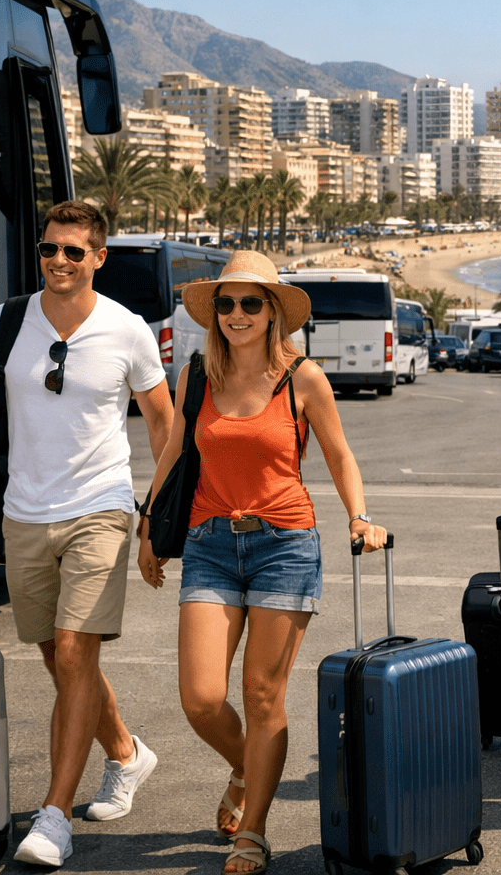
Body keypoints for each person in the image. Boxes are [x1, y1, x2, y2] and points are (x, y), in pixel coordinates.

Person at [0, 201, 174, 867]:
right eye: (48, 250)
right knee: (61, 660)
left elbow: (163, 422)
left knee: (72, 653)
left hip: (100, 507)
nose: (58, 261)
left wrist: (158, 511)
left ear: (99, 257)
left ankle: (54, 816)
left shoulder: (127, 331)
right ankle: (125, 753)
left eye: (73, 251)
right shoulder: (5, 322)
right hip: (24, 513)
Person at [137, 250, 388, 875]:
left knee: (262, 695)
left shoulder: (302, 378)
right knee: (199, 698)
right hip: (209, 544)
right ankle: (245, 768)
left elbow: (339, 455)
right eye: (226, 303)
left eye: (251, 302)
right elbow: (171, 451)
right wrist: (147, 525)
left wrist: (359, 516)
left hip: (284, 546)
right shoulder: (195, 374)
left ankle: (253, 829)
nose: (237, 314)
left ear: (273, 311)